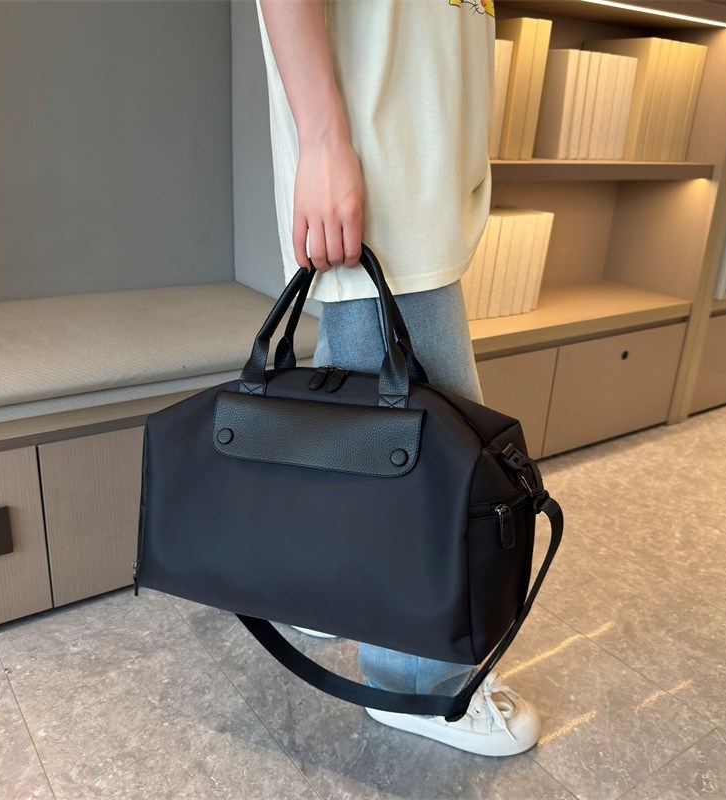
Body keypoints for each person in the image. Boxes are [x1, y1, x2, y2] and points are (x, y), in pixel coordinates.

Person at [256, 0, 540, 756]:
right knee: (433, 458)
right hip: (378, 162)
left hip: (419, 163)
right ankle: (414, 686)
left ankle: (327, 588)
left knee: (360, 424)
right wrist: (323, 138)